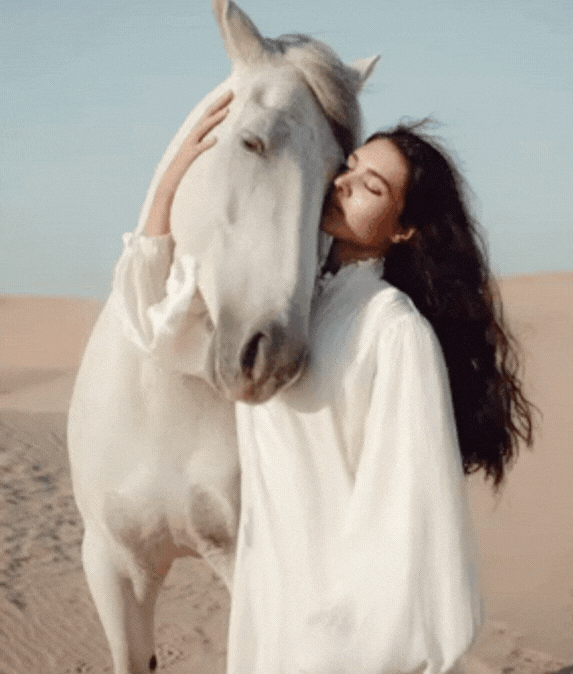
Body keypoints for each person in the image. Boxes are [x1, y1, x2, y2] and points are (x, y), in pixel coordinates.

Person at [112, 92, 535, 674]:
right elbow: (162, 329)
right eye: (350, 167)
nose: (344, 184)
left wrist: (338, 643)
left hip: (339, 636)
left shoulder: (394, 332)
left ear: (406, 229)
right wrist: (175, 175)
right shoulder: (295, 306)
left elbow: (401, 522)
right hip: (271, 606)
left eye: (373, 187)